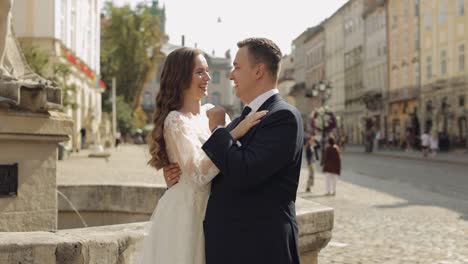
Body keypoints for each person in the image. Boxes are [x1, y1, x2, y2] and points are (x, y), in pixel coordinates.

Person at [164, 38, 304, 264]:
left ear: (258, 71)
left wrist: (219, 129)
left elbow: (243, 172)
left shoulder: (283, 116)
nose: (230, 75)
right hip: (230, 246)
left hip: (261, 249)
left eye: (237, 67)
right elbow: (216, 166)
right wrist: (180, 178)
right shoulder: (241, 119)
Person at [137, 47, 266, 264]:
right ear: (180, 77)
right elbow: (198, 175)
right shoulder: (176, 121)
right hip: (185, 215)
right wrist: (232, 133)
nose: (207, 78)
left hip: (216, 212)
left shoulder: (212, 112)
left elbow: (232, 157)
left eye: (207, 71)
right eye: (199, 72)